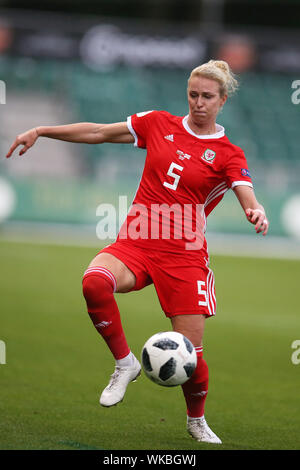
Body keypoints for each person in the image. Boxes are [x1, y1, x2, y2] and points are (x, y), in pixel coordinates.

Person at [6, 60, 269, 445]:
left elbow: (245, 191)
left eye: (207, 97)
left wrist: (255, 209)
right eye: (193, 94)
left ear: (222, 101)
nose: (198, 103)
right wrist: (42, 131)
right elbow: (97, 131)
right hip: (137, 241)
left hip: (184, 256)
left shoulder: (229, 153)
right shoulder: (158, 123)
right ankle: (124, 362)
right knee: (94, 283)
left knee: (192, 356)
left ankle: (196, 420)